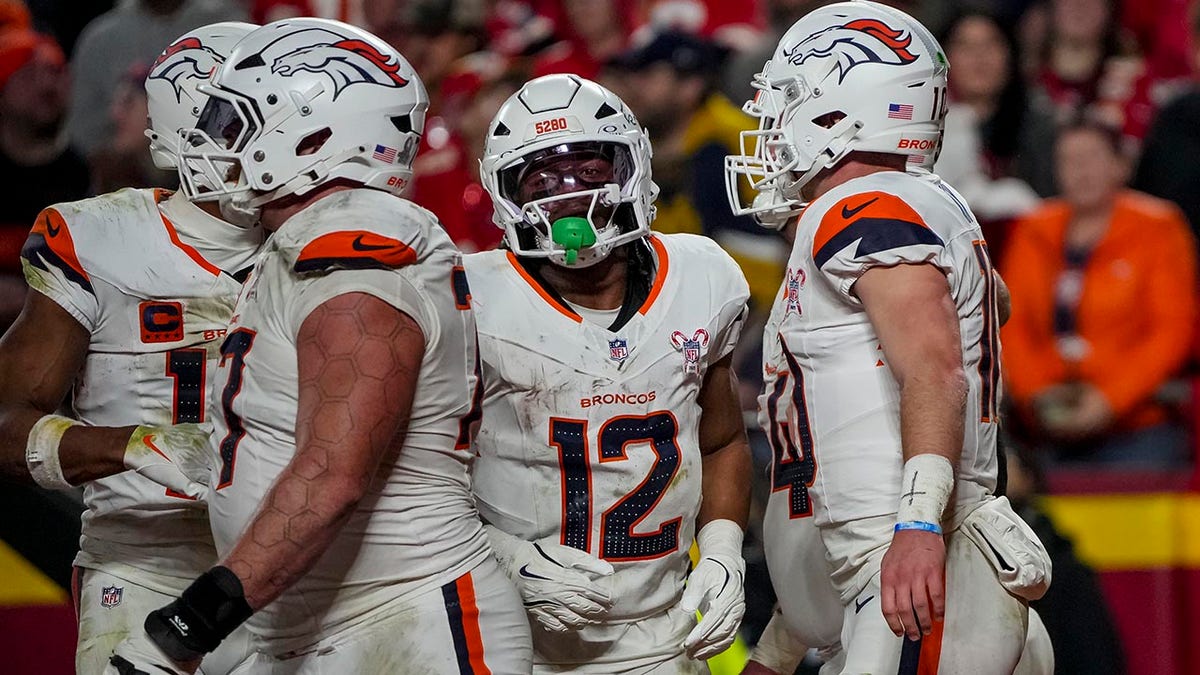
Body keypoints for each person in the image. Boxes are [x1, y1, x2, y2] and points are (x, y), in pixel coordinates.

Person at [109, 18, 531, 674]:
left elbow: (332, 475)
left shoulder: (355, 245)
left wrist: (183, 629)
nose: (215, 144)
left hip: (401, 624)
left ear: (314, 135)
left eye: (236, 123)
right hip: (324, 623)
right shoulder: (315, 235)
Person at [725, 2, 1052, 671]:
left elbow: (936, 370)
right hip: (885, 578)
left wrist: (919, 524)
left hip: (915, 580)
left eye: (788, 104)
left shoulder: (867, 207)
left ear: (843, 112)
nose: (771, 129)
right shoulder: (908, 204)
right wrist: (785, 640)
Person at [0, 22, 263, 675]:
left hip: (307, 553)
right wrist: (135, 444)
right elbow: (6, 423)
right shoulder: (103, 237)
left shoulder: (330, 241)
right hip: (148, 555)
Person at [468, 73, 752, 672]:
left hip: (663, 634)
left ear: (633, 168)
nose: (570, 197)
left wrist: (724, 550)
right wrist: (507, 554)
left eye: (592, 171)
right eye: (541, 179)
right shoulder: (471, 299)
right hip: (516, 642)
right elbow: (416, 477)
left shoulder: (703, 277)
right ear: (505, 196)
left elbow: (722, 439)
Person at [1001, 120, 1197, 466]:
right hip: (1047, 422)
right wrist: (1038, 394)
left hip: (1137, 426)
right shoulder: (1033, 229)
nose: (1081, 171)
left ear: (1121, 165)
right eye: (1069, 161)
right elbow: (1010, 322)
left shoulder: (1158, 227)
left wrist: (1109, 399)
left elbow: (1174, 329)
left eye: (1091, 158)